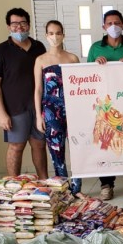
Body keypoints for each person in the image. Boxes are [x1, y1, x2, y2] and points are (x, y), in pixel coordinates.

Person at [87, 9, 123, 200]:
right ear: (103, 26)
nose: (114, 26)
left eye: (117, 23)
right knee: (106, 141)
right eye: (109, 23)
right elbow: (88, 76)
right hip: (104, 103)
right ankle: (106, 185)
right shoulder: (95, 48)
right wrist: (96, 63)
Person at [0, 7, 48, 179]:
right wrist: (1, 113)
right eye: (14, 24)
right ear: (8, 26)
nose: (19, 27)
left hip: (38, 107)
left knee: (39, 145)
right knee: (16, 146)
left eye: (22, 23)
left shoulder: (39, 47)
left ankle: (44, 183)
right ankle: (14, 187)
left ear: (28, 24)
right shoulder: (0, 51)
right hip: (14, 109)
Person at [33, 20, 82, 195]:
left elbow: (80, 87)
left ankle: (76, 190)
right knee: (56, 152)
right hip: (50, 111)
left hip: (73, 110)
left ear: (63, 35)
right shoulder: (40, 60)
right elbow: (38, 89)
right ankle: (63, 191)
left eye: (58, 33)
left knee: (77, 149)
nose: (55, 36)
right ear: (46, 36)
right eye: (51, 33)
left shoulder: (72, 58)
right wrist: (39, 117)